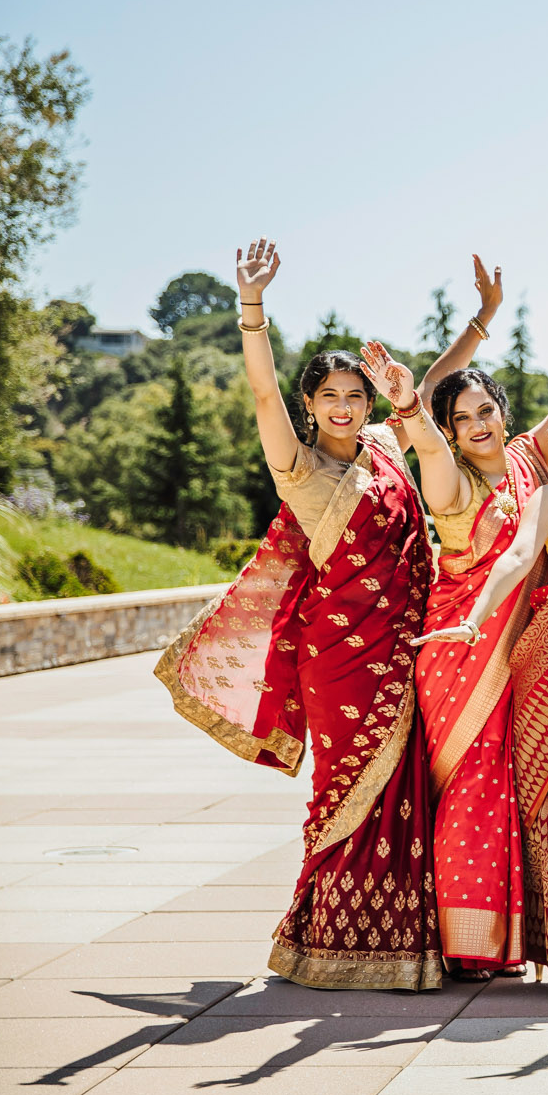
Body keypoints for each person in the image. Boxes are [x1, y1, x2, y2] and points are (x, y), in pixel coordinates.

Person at [155, 238, 442, 990]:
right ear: (310, 406)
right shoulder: (300, 467)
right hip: (340, 660)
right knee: (344, 788)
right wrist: (252, 309)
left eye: (356, 396)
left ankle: (401, 943)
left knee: (406, 792)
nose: (346, 409)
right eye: (330, 398)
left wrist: (479, 322)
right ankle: (321, 938)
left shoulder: (385, 447)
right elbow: (259, 396)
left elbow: (428, 395)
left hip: (404, 647)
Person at [370, 256, 548, 978]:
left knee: (510, 786)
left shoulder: (533, 462)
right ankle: (465, 942)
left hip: (520, 650)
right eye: (460, 419)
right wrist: (411, 408)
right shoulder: (450, 478)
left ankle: (504, 939)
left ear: (504, 413)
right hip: (462, 644)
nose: (475, 427)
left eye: (486, 412)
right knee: (471, 784)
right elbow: (432, 450)